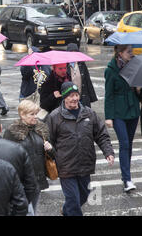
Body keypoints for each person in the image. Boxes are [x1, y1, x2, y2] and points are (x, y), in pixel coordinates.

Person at [47, 82, 115, 216]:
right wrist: (54, 156)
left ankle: (66, 210)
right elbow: (49, 140)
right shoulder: (54, 117)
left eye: (76, 95)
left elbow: (101, 134)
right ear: (64, 97)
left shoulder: (89, 113)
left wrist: (108, 152)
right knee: (73, 200)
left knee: (84, 195)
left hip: (85, 164)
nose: (75, 98)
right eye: (71, 95)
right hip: (66, 167)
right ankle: (70, 210)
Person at [3, 100, 54, 215]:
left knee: (33, 210)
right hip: (20, 181)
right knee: (26, 211)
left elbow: (52, 155)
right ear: (22, 115)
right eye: (32, 114)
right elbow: (6, 156)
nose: (35, 117)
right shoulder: (12, 132)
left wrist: (50, 149)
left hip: (37, 179)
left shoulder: (41, 129)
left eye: (36, 113)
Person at [0, 110, 38, 210]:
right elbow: (30, 184)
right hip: (14, 204)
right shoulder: (17, 149)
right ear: (1, 128)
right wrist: (23, 205)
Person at [104, 45, 141, 192]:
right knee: (124, 143)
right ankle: (127, 179)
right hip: (118, 112)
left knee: (129, 145)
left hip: (132, 111)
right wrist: (109, 117)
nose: (131, 54)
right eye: (128, 52)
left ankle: (126, 175)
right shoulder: (111, 70)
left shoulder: (134, 67)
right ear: (120, 53)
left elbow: (141, 94)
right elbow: (109, 95)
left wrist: (139, 89)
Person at [66, 43, 97, 108]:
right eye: (71, 52)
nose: (73, 54)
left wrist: (92, 97)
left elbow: (87, 80)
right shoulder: (65, 66)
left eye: (75, 52)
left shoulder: (81, 64)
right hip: (71, 99)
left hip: (83, 98)